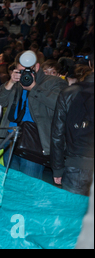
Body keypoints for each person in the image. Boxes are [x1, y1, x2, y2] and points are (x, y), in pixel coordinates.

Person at [0, 51, 68, 179]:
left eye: (27, 70)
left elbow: (59, 104)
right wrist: (10, 83)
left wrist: (34, 87)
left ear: (37, 67)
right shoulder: (16, 82)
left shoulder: (53, 82)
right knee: (9, 184)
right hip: (9, 139)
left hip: (34, 142)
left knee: (28, 185)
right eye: (20, 71)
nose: (24, 75)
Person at [51, 54, 93, 196]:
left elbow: (58, 134)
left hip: (76, 162)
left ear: (90, 64)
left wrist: (57, 167)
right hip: (78, 161)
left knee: (71, 214)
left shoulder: (69, 93)